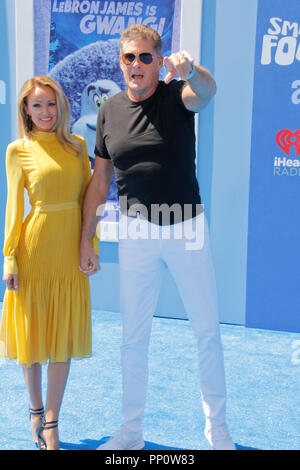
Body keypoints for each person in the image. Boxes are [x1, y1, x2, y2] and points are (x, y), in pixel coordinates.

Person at [80, 25, 236, 450]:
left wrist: (193, 70)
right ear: (120, 61)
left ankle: (217, 429)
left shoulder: (177, 94)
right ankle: (131, 432)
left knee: (206, 331)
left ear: (159, 61)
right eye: (129, 57)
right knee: (133, 338)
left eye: (145, 58)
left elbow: (207, 91)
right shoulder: (108, 110)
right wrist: (84, 240)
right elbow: (99, 183)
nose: (136, 65)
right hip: (135, 234)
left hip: (186, 227)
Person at [0, 76, 98, 450]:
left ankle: (53, 422)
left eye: (51, 104)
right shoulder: (17, 150)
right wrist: (9, 257)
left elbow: (89, 203)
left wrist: (90, 246)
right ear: (25, 108)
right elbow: (13, 207)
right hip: (35, 250)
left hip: (69, 253)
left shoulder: (77, 146)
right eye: (37, 105)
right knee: (33, 337)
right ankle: (35, 412)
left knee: (62, 339)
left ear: (62, 107)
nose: (45, 112)